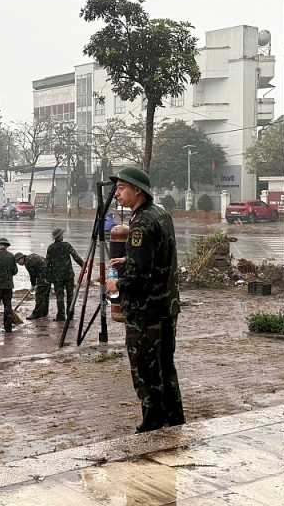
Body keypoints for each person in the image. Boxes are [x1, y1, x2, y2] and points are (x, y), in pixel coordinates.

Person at [105, 166, 184, 434]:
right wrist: (130, 258)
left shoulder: (140, 223)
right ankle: (174, 418)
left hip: (146, 311)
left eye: (121, 188)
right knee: (165, 365)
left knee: (146, 368)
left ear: (137, 190)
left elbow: (141, 275)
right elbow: (159, 255)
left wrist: (118, 283)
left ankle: (152, 423)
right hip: (166, 307)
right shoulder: (160, 214)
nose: (117, 194)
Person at [46, 228, 84, 321]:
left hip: (57, 276)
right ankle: (70, 315)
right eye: (62, 235)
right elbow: (76, 257)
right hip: (68, 275)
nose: (63, 236)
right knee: (70, 295)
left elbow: (47, 263)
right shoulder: (67, 246)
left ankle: (61, 316)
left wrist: (47, 276)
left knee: (60, 296)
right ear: (59, 236)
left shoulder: (50, 248)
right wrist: (83, 266)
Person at [15, 252, 51, 320]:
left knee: (39, 295)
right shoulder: (31, 257)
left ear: (22, 258)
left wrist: (33, 284)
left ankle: (36, 314)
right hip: (49, 275)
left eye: (18, 261)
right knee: (45, 295)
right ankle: (44, 312)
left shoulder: (28, 262)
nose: (18, 264)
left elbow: (32, 275)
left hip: (43, 276)